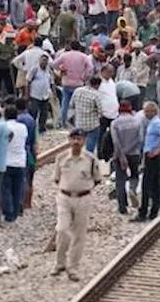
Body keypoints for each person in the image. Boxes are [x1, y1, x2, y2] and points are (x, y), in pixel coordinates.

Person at [53, 128, 102, 281]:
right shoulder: (61, 158)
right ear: (69, 140)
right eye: (73, 138)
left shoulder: (90, 159)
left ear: (84, 141)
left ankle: (73, 267)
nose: (76, 142)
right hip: (64, 197)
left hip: (83, 198)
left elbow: (97, 179)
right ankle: (59, 262)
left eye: (79, 139)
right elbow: (56, 178)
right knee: (62, 229)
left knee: (79, 234)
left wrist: (84, 188)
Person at [111, 102, 143, 215]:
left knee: (120, 181)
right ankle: (132, 190)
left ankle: (122, 207)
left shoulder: (115, 123)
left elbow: (115, 141)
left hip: (119, 155)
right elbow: (140, 138)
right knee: (134, 175)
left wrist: (122, 155)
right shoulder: (136, 121)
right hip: (134, 154)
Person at [53, 41, 94, 129]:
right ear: (79, 47)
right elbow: (90, 67)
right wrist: (85, 76)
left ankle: (64, 123)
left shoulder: (64, 55)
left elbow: (54, 64)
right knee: (78, 105)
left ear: (71, 46)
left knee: (65, 104)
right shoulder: (83, 56)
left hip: (66, 82)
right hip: (78, 83)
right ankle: (77, 124)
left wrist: (61, 69)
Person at [1, 106, 28, 222]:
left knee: (6, 188)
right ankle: (16, 211)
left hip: (6, 160)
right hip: (20, 161)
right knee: (17, 188)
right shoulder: (23, 127)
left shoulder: (4, 127)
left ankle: (8, 213)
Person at [71, 76, 104, 153]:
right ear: (97, 85)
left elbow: (72, 104)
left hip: (79, 123)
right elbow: (100, 112)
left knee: (79, 141)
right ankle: (88, 158)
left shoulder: (77, 91)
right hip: (92, 124)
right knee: (91, 143)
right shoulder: (96, 95)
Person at [25, 53, 55, 130]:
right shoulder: (34, 69)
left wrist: (54, 93)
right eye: (43, 60)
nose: (44, 62)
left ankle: (42, 127)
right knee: (33, 112)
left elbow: (52, 82)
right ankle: (31, 127)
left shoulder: (49, 70)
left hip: (45, 95)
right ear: (40, 60)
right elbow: (28, 82)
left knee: (44, 113)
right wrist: (27, 95)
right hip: (35, 95)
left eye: (46, 61)